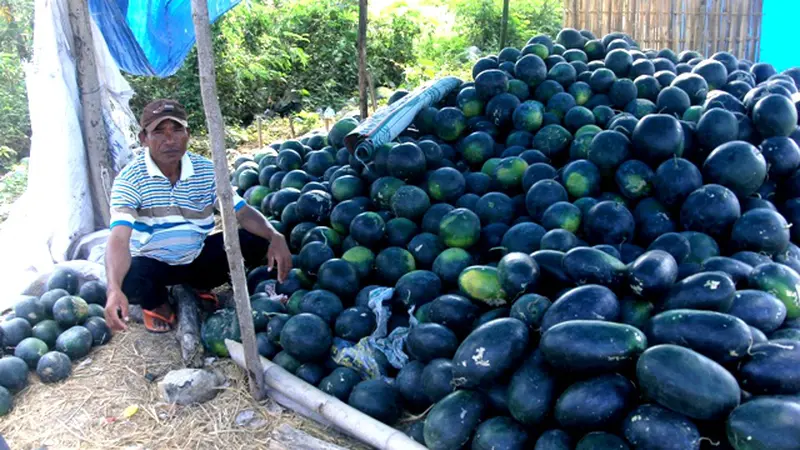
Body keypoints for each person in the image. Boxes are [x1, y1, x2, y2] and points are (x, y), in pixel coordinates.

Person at [104, 99, 292, 333]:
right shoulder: (129, 179)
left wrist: (275, 235)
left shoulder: (206, 170)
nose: (170, 140)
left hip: (196, 257)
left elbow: (242, 211)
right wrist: (113, 289)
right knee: (128, 276)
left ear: (188, 134)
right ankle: (157, 302)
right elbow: (120, 238)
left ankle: (197, 286)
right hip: (153, 264)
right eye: (159, 132)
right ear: (144, 138)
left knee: (255, 241)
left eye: (177, 130)